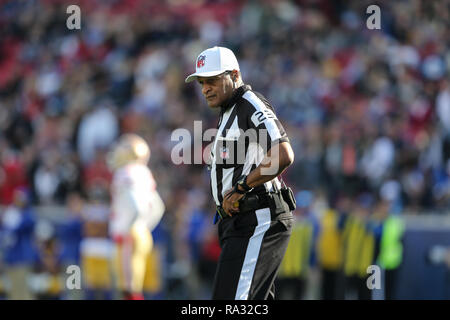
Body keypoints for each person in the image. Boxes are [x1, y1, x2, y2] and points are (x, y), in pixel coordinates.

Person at [185, 46, 296, 300]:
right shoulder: (228, 112)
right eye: (202, 82)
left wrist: (242, 187)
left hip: (256, 218)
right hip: (241, 222)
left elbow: (283, 153)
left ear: (234, 75)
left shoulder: (248, 103)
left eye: (212, 80)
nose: (205, 89)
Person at [107, 133, 165, 300]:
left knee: (127, 288)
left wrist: (128, 229)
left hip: (128, 234)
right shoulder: (144, 173)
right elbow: (158, 207)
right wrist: (143, 227)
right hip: (141, 233)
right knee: (135, 286)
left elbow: (135, 206)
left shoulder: (125, 173)